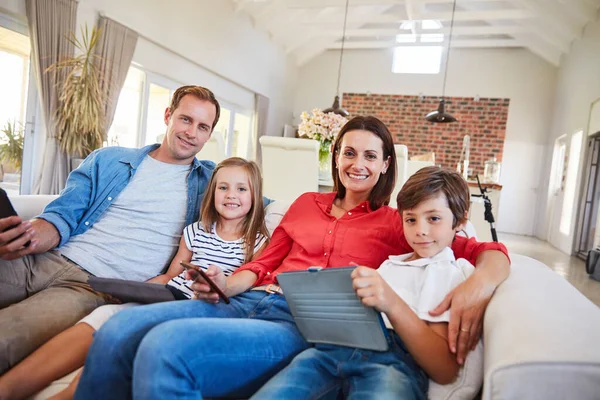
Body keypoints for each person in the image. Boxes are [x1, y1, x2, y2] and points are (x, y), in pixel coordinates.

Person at [75, 115, 510, 400]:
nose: (357, 164)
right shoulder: (305, 203)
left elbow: (477, 247)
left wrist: (481, 281)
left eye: (370, 156)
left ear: (384, 165)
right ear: (335, 156)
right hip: (245, 301)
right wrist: (227, 283)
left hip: (301, 324)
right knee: (118, 329)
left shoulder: (401, 222)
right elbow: (264, 262)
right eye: (349, 152)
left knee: (166, 348)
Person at [0, 157, 269, 400]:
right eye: (223, 188)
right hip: (164, 298)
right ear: (212, 193)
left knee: (124, 335)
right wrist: (135, 290)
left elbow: (247, 285)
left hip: (198, 308)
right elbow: (169, 276)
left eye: (241, 189)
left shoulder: (256, 242)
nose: (231, 195)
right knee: (108, 317)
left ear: (255, 195)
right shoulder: (196, 231)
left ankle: (72, 392)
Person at [0, 85, 221, 377]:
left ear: (208, 134)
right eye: (185, 119)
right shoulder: (110, 159)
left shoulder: (214, 182)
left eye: (202, 127)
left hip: (92, 288)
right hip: (42, 260)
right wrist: (29, 236)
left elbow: (259, 204)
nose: (192, 132)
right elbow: (62, 215)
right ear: (168, 116)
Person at [251, 166, 483, 399]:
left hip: (391, 364)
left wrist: (391, 302)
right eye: (410, 219)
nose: (420, 230)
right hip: (332, 352)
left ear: (460, 221)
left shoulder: (447, 272)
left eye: (433, 218)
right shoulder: (390, 265)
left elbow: (445, 370)